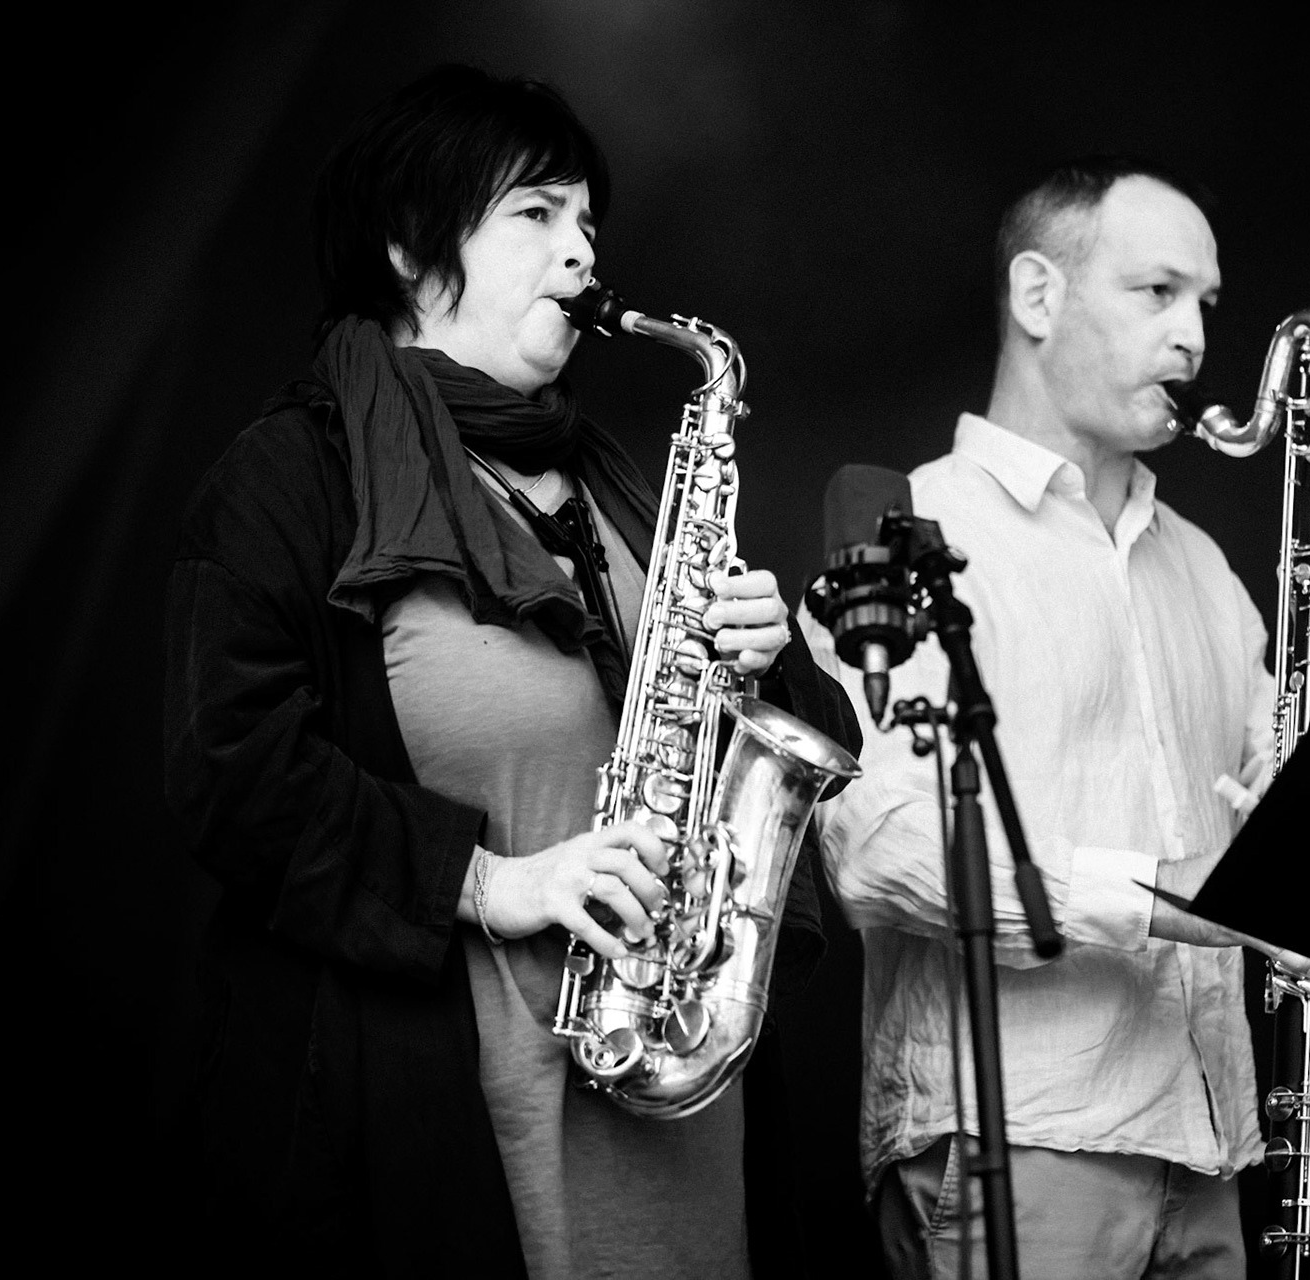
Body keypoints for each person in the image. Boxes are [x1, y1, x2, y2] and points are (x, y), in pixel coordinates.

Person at [163, 65, 859, 1277]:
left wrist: (769, 656)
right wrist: (492, 880)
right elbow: (233, 778)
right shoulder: (289, 482)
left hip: (676, 1097)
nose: (582, 254)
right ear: (409, 250)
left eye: (588, 222)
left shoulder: (617, 486)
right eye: (535, 215)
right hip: (451, 1121)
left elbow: (782, 762)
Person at [802, 157, 1310, 1279]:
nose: (1197, 341)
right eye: (1157, 292)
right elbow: (875, 845)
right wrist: (1169, 898)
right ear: (1037, 296)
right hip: (1016, 1136)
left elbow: (1280, 836)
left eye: (1206, 303)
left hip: (1210, 1150)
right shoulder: (909, 524)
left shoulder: (1209, 571)